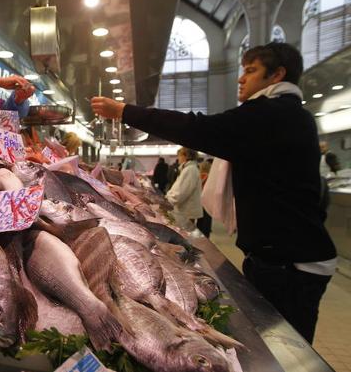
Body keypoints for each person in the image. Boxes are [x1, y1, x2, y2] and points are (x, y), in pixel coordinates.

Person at [91, 42, 337, 344]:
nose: (241, 79)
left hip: (291, 265)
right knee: (279, 340)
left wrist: (124, 111)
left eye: (251, 71)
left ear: (277, 75)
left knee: (288, 346)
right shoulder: (288, 116)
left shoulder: (275, 115)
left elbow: (198, 128)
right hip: (286, 257)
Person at [165, 148, 203, 225]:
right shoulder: (187, 168)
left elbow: (182, 192)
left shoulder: (190, 170)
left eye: (179, 156)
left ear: (186, 156)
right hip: (184, 210)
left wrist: (167, 201)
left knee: (184, 233)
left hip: (186, 212)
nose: (178, 158)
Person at [197, 158, 213, 237]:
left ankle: (202, 236)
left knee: (201, 220)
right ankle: (206, 235)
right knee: (207, 220)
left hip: (201, 200)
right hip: (209, 200)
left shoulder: (202, 175)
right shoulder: (210, 177)